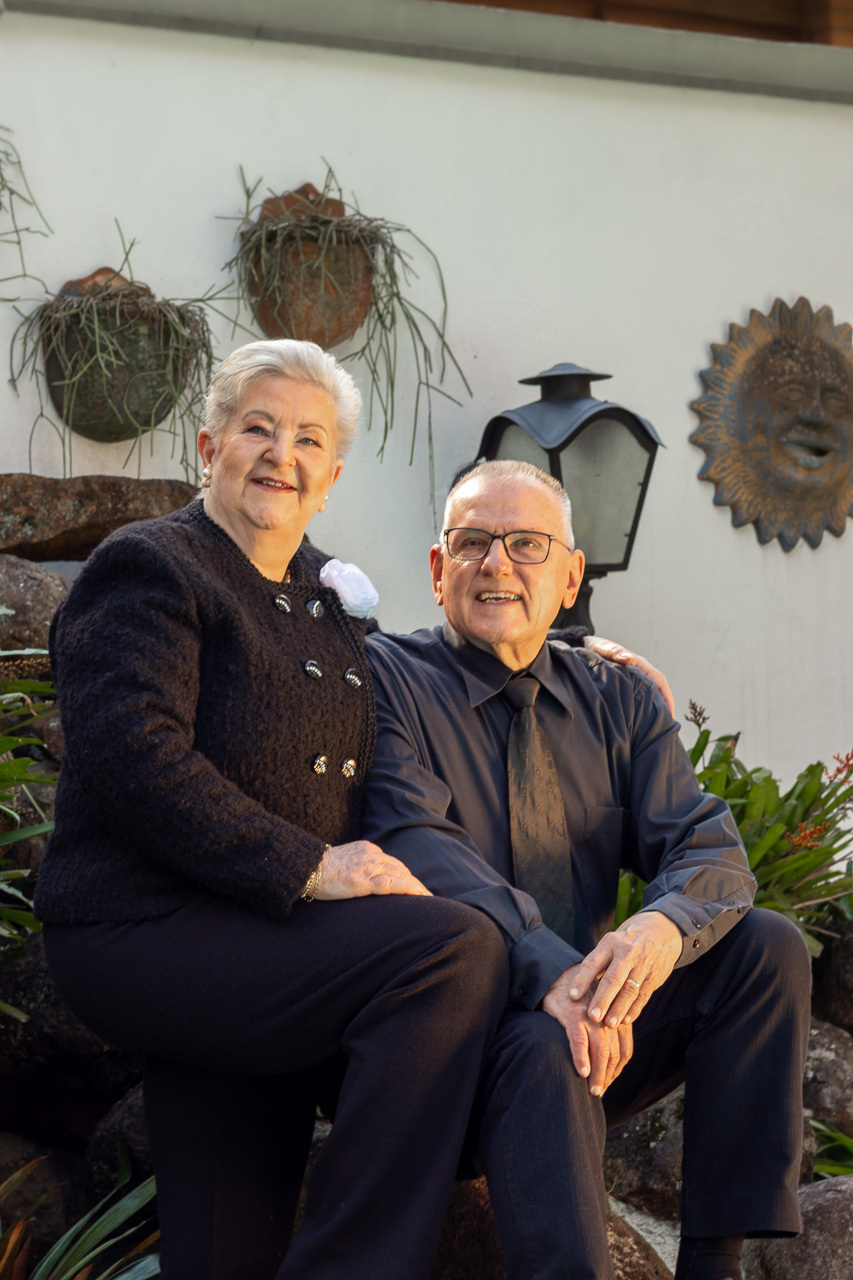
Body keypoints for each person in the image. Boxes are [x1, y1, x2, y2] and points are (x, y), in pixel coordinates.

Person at [34, 339, 513, 1280]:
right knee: (451, 951)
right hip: (145, 929)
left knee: (225, 1250)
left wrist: (581, 663)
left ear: (329, 478)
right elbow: (134, 754)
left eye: (306, 439)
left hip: (256, 940)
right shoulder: (150, 566)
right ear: (209, 447)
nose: (279, 454)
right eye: (258, 428)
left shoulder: (327, 596)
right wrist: (309, 865)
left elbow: (416, 689)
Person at [362, 458, 812, 1280]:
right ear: (437, 571)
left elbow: (706, 848)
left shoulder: (619, 699)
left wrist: (656, 931)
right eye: (471, 543)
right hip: (457, 1044)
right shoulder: (386, 682)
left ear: (570, 578)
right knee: (546, 1035)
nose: (496, 564)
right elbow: (419, 844)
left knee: (765, 949)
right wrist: (558, 978)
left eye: (527, 545)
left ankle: (714, 1261)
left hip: (594, 1030)